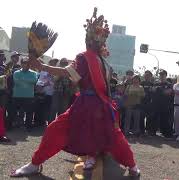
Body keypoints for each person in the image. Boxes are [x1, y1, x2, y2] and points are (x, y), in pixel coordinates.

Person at [10, 8, 140, 177]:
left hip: (87, 104)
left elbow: (67, 72)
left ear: (89, 39)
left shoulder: (85, 57)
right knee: (111, 136)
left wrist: (42, 66)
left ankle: (35, 164)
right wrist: (42, 65)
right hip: (102, 105)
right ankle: (132, 166)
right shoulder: (103, 62)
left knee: (56, 130)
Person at [11, 58, 38, 131]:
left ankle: (28, 126)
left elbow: (34, 81)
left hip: (28, 96)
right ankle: (16, 124)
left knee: (29, 112)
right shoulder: (16, 72)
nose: (25, 64)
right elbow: (16, 82)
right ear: (21, 64)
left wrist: (22, 79)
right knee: (15, 111)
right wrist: (27, 82)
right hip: (17, 95)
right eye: (24, 63)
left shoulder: (34, 73)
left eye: (27, 63)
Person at [34, 59, 58, 127]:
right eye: (53, 63)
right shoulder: (43, 71)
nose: (54, 64)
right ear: (49, 63)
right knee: (41, 108)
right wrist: (44, 84)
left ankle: (46, 122)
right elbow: (39, 81)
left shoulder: (56, 72)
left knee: (48, 108)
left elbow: (56, 83)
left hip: (52, 93)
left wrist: (51, 81)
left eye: (55, 63)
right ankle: (39, 122)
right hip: (43, 92)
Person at [150, 69, 173, 137]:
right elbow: (152, 90)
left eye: (163, 75)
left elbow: (168, 92)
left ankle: (165, 133)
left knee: (165, 119)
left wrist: (159, 90)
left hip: (165, 105)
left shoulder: (169, 84)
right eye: (160, 75)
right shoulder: (156, 83)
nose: (161, 76)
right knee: (155, 118)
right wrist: (161, 90)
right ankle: (153, 132)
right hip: (156, 104)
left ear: (166, 75)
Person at [0, 50, 10, 142]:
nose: (1, 57)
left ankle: (1, 134)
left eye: (2, 56)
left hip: (3, 92)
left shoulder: (5, 67)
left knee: (1, 112)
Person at [140, 70, 154, 135]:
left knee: (149, 118)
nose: (147, 77)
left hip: (150, 103)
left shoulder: (153, 84)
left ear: (151, 76)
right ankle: (142, 131)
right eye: (146, 75)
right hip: (142, 102)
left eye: (148, 75)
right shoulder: (141, 83)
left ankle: (148, 130)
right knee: (141, 117)